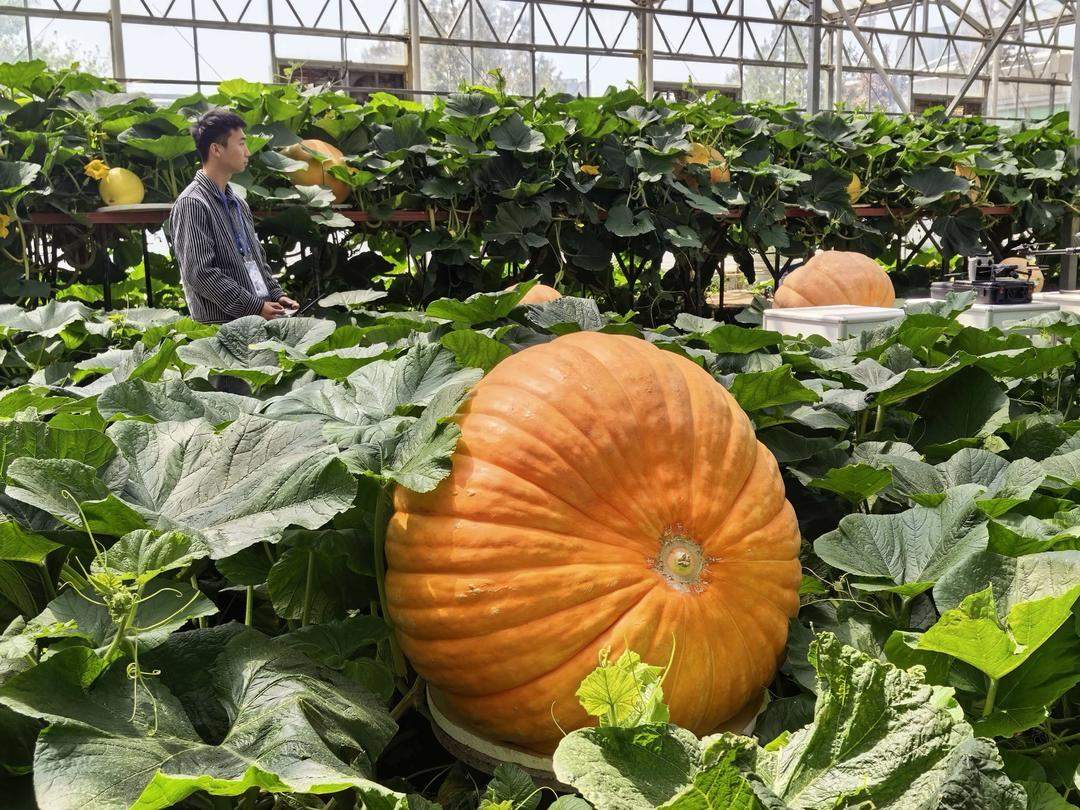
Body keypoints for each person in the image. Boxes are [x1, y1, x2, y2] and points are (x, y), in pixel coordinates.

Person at [169, 108, 298, 325]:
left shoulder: (239, 203)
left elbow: (256, 259)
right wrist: (254, 306)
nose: (247, 152)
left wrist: (277, 295)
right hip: (219, 329)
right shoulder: (192, 203)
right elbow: (200, 273)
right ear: (216, 149)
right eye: (241, 144)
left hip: (254, 322)